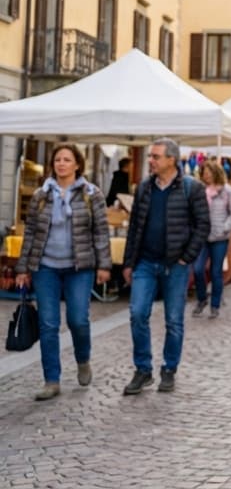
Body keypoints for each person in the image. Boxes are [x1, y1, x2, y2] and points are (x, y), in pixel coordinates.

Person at [14, 143, 111, 401]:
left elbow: (101, 232)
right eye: (58, 159)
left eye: (67, 159)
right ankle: (52, 380)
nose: (61, 164)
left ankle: (82, 359)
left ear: (77, 164)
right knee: (48, 324)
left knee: (78, 320)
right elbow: (31, 233)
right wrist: (23, 268)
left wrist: (104, 265)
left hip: (79, 267)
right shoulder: (40, 196)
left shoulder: (92, 194)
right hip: (46, 267)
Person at [121, 138, 210, 396]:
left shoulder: (191, 188)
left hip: (175, 264)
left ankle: (169, 369)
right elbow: (135, 227)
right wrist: (128, 262)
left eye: (156, 156)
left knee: (173, 320)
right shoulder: (143, 188)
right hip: (145, 262)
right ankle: (143, 369)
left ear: (171, 159)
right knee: (138, 314)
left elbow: (202, 225)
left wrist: (187, 257)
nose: (151, 160)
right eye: (150, 156)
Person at [191, 162, 231, 319]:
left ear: (216, 173)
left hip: (220, 236)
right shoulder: (200, 190)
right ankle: (202, 299)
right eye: (204, 172)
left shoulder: (227, 191)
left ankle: (215, 305)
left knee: (215, 271)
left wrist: (225, 227)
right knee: (198, 269)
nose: (206, 175)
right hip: (202, 235)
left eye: (209, 172)